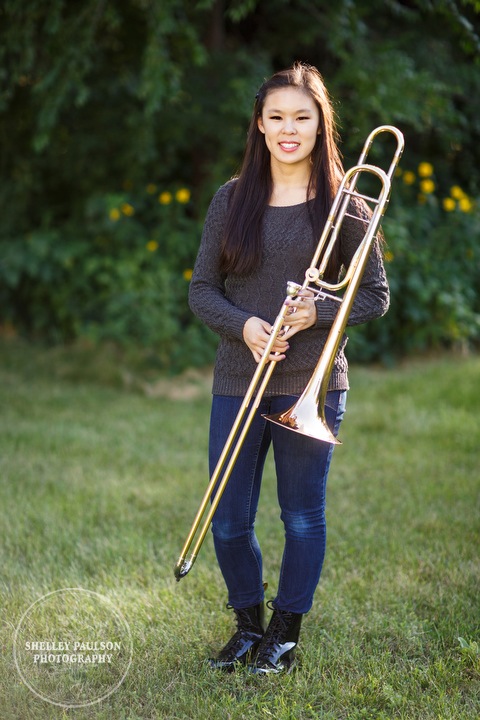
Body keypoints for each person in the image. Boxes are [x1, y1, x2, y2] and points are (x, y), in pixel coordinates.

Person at [188, 62, 389, 675]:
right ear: (259, 124)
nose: (288, 129)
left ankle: (285, 632)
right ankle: (247, 625)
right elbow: (202, 291)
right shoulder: (232, 199)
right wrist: (245, 326)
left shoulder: (346, 202)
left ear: (320, 123)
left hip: (313, 381)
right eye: (276, 117)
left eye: (301, 117)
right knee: (227, 520)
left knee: (301, 515)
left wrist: (317, 311)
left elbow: (375, 296)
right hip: (237, 377)